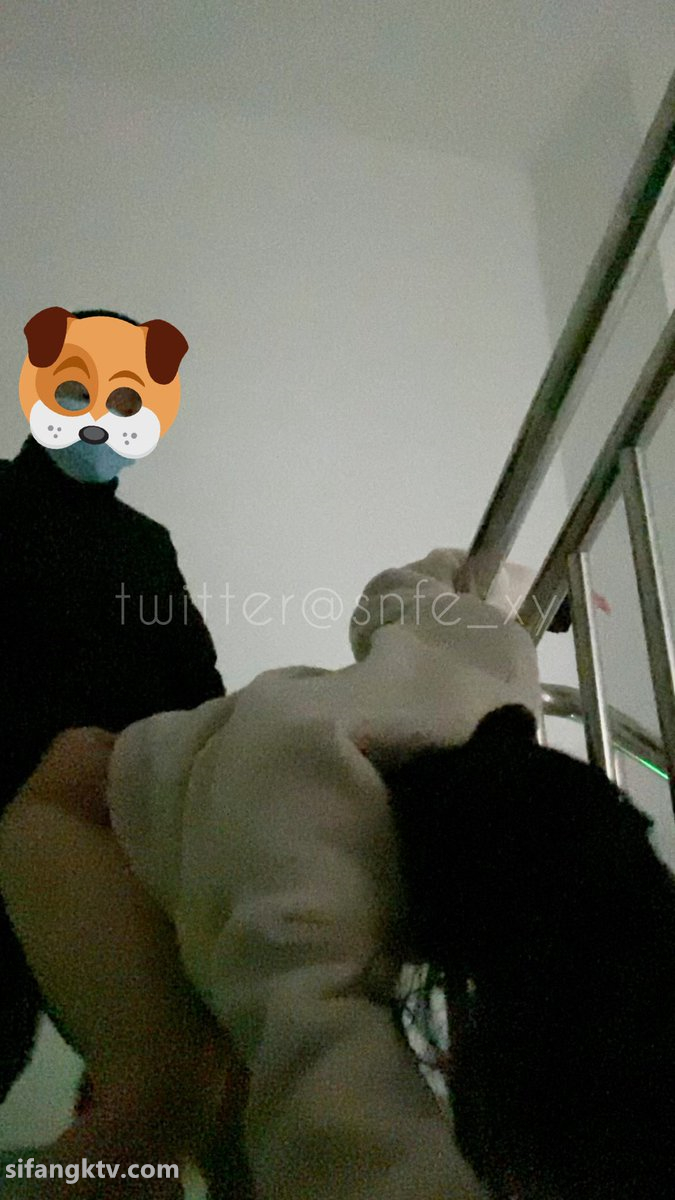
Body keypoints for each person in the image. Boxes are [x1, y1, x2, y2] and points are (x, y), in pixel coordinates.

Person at [1, 549, 673, 1197]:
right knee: (162, 1101)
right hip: (101, 815)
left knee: (242, 1106)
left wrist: (538, 593)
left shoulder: (488, 671)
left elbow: (423, 582)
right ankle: (138, 1118)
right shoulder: (314, 893)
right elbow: (335, 1114)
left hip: (172, 793)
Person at [0, 309, 225, 1105]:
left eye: (127, 400)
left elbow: (193, 682)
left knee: (149, 1071)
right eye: (76, 390)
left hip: (113, 836)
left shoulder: (144, 544)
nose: (100, 415)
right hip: (12, 816)